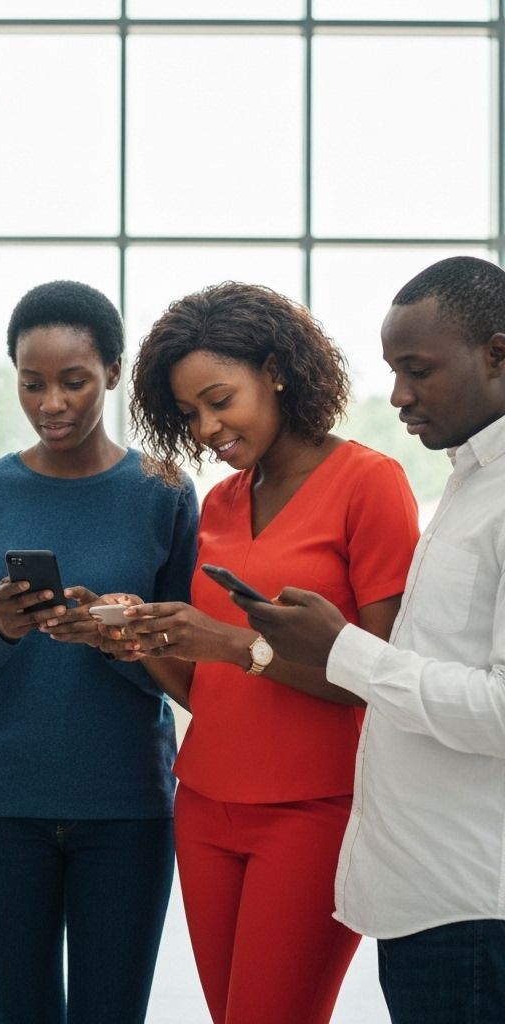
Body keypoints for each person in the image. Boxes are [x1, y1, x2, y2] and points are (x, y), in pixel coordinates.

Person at [105, 282, 420, 1024]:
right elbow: (210, 687)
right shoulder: (219, 503)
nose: (208, 427)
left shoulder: (369, 483)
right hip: (204, 805)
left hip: (316, 811)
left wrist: (233, 643)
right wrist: (137, 638)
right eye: (189, 413)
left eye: (220, 400)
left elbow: (386, 679)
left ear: (276, 370)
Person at [234, 256, 505, 1024]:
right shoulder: (469, 478)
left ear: (497, 353)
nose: (399, 396)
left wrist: (341, 648)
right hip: (426, 892)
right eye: (393, 371)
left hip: (472, 904)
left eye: (418, 370)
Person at [0, 280, 199, 1024]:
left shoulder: (165, 493)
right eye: (32, 382)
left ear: (112, 371)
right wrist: (2, 628)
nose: (52, 403)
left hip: (128, 808)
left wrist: (116, 637)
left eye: (74, 381)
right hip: (0, 810)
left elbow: (190, 672)